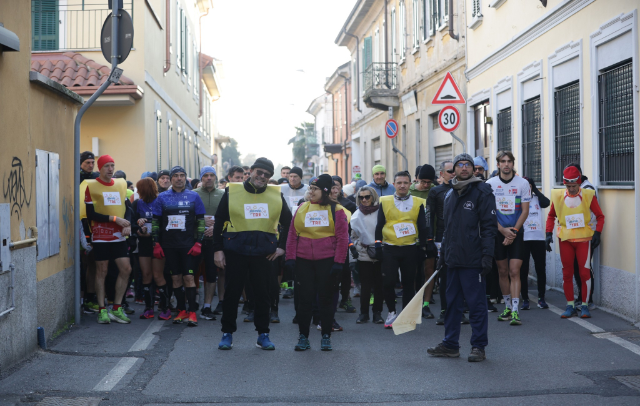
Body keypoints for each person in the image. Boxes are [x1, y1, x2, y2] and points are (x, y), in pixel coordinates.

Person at [213, 158, 292, 351]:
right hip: (235, 251)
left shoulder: (275, 194)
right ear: (252, 172)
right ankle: (227, 333)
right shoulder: (233, 191)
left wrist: (282, 247)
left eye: (267, 175)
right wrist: (218, 250)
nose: (262, 177)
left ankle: (263, 335)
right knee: (232, 294)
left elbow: (289, 222)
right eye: (260, 172)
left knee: (263, 295)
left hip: (264, 254)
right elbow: (219, 221)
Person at [427, 153, 497, 362]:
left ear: (473, 168)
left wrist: (487, 255)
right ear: (454, 170)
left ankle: (478, 346)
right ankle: (450, 345)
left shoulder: (482, 191)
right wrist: (442, 256)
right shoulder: (449, 194)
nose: (464, 168)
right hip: (452, 260)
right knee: (451, 304)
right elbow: (448, 229)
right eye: (460, 165)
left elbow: (489, 228)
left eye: (468, 164)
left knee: (476, 305)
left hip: (473, 260)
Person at [285, 174, 349, 351]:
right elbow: (292, 235)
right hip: (303, 261)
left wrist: (339, 262)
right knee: (304, 301)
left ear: (325, 191)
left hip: (327, 261)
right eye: (310, 188)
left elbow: (343, 238)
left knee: (326, 300)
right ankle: (303, 337)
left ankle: (326, 336)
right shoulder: (302, 208)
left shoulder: (337, 211)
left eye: (315, 189)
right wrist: (290, 258)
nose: (310, 191)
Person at [546, 166, 605, 319]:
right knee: (567, 273)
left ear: (579, 183)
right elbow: (551, 216)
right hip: (565, 239)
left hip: (583, 239)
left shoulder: (588, 195)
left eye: (574, 186)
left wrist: (598, 232)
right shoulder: (558, 196)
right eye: (568, 186)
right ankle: (570, 305)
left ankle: (585, 305)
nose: (571, 189)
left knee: (584, 272)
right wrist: (547, 234)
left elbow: (600, 216)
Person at [151, 166, 206, 327]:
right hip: (169, 245)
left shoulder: (194, 196)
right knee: (175, 278)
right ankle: (181, 310)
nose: (179, 178)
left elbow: (201, 221)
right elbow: (155, 222)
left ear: (186, 178)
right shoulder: (162, 197)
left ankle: (192, 312)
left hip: (188, 245)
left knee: (188, 277)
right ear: (171, 178)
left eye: (182, 175)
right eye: (176, 176)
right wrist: (156, 244)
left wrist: (199, 243)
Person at [374, 171, 428, 328]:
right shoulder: (385, 200)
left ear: (411, 183)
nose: (402, 185)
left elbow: (422, 226)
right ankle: (391, 312)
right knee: (388, 282)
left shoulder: (419, 202)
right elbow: (379, 225)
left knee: (409, 283)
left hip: (410, 248)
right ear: (394, 184)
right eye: (399, 183)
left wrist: (423, 247)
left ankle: (406, 314)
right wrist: (378, 244)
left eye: (405, 182)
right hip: (390, 248)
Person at [84, 155, 132, 324]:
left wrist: (127, 223)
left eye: (112, 165)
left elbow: (127, 209)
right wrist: (114, 219)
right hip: (101, 235)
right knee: (101, 271)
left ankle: (117, 308)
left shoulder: (120, 184)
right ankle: (102, 309)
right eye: (107, 166)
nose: (110, 169)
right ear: (100, 168)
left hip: (119, 235)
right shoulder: (92, 186)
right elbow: (91, 214)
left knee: (126, 269)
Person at [485, 151, 530, 326]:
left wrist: (513, 232)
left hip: (516, 232)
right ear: (498, 164)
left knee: (514, 271)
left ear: (513, 164)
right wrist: (503, 231)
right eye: (502, 161)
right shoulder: (490, 184)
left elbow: (525, 211)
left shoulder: (523, 183)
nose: (506, 164)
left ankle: (515, 311)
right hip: (498, 232)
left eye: (509, 161)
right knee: (502, 271)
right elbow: (488, 213)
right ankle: (508, 306)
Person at [132, 177, 171, 320]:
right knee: (146, 275)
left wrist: (154, 232)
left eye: (140, 189)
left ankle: (165, 307)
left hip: (157, 243)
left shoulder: (160, 201)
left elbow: (165, 223)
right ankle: (148, 307)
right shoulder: (137, 203)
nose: (138, 192)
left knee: (158, 275)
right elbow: (132, 222)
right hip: (143, 243)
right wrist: (138, 225)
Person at [194, 166, 225, 320]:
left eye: (211, 175)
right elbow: (186, 216)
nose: (209, 178)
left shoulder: (223, 194)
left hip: (214, 241)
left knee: (211, 274)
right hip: (195, 240)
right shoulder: (193, 194)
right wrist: (199, 220)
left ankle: (207, 306)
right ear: (201, 178)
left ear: (215, 177)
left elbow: (229, 217)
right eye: (205, 175)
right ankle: (190, 304)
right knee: (191, 273)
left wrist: (216, 227)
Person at [349, 186, 384, 324]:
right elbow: (353, 235)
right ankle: (364, 313)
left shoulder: (382, 211)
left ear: (373, 196)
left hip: (380, 250)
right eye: (361, 197)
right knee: (365, 285)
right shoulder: (356, 214)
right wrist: (359, 246)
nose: (364, 199)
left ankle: (377, 313)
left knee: (379, 284)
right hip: (364, 252)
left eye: (367, 196)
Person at [409, 165, 439, 319]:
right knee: (413, 272)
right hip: (412, 238)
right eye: (423, 181)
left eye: (429, 182)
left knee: (429, 271)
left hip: (430, 237)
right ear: (417, 179)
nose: (426, 185)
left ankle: (426, 305)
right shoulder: (409, 191)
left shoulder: (435, 190)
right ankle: (415, 302)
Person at [566, 163, 597, 310]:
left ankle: (588, 300)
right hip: (574, 234)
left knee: (584, 268)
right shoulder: (575, 189)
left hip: (587, 233)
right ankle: (581, 297)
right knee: (576, 267)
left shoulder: (587, 189)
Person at [520, 176, 550, 310]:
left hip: (538, 238)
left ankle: (541, 298)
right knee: (523, 269)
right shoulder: (518, 199)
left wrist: (535, 190)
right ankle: (525, 299)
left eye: (529, 185)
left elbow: (546, 203)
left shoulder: (537, 198)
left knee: (540, 269)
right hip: (523, 238)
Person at [331, 176, 356, 319]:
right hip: (327, 244)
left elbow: (352, 226)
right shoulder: (324, 203)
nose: (335, 189)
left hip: (344, 243)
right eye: (332, 186)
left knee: (346, 271)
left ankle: (345, 299)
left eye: (338, 186)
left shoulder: (349, 204)